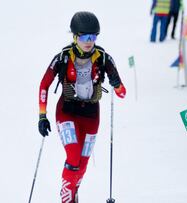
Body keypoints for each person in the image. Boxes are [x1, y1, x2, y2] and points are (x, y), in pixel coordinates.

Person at [38, 11, 126, 203]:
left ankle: (73, 192)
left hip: (91, 114)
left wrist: (117, 83)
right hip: (67, 111)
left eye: (93, 37)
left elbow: (122, 92)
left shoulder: (104, 58)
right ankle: (66, 200)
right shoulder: (62, 57)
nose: (89, 41)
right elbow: (44, 85)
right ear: (75, 36)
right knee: (73, 155)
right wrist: (42, 116)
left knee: (83, 164)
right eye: (85, 36)